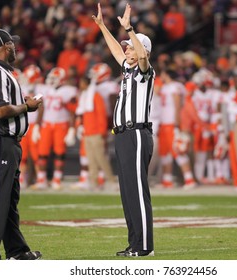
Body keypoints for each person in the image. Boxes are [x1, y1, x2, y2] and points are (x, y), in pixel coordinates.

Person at [93, 3, 155, 257]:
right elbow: (116, 50)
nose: (126, 48)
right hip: (122, 135)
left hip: (137, 133)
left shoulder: (144, 70)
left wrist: (129, 29)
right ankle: (134, 242)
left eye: (130, 45)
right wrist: (101, 27)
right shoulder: (127, 69)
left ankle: (145, 246)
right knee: (127, 191)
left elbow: (142, 57)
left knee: (137, 189)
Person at [0, 28, 42, 260]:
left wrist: (22, 101)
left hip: (7, 142)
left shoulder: (3, 72)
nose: (16, 48)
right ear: (6, 46)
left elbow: (4, 104)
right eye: (12, 44)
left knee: (8, 200)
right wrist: (27, 107)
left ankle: (17, 250)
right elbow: (0, 111)